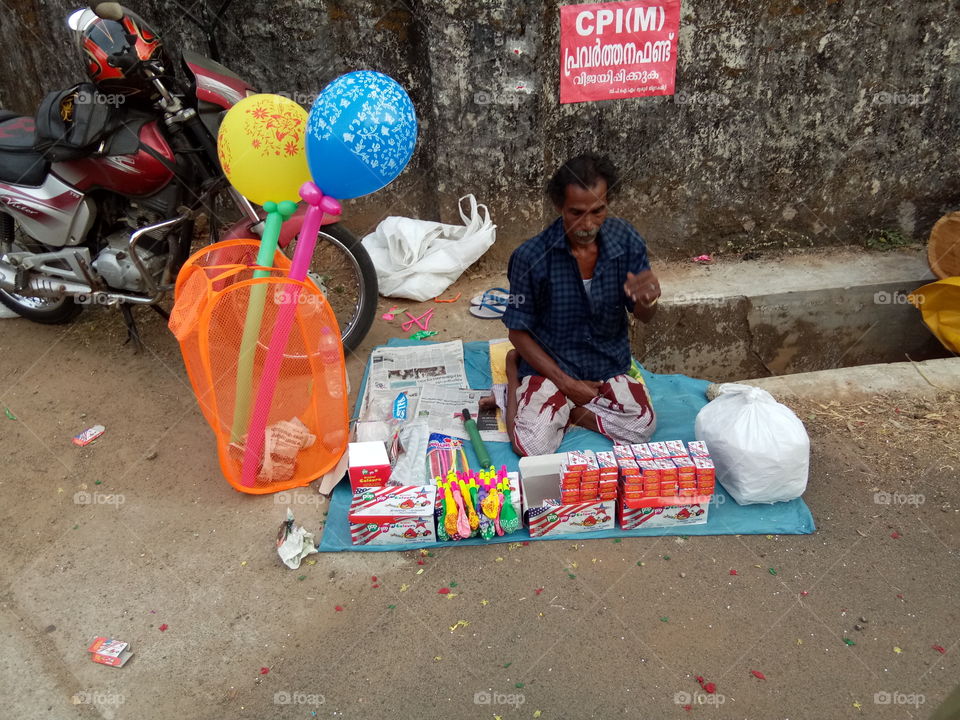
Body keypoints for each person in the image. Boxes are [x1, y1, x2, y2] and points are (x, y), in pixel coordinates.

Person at [500, 153, 661, 456]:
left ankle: (571, 412)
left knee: (643, 426)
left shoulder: (626, 241)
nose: (588, 224)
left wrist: (647, 301)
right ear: (560, 207)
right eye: (576, 213)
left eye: (598, 211)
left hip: (607, 366)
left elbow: (645, 315)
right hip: (553, 369)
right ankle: (514, 372)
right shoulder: (530, 257)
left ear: (607, 203)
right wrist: (566, 383)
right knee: (530, 446)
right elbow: (517, 332)